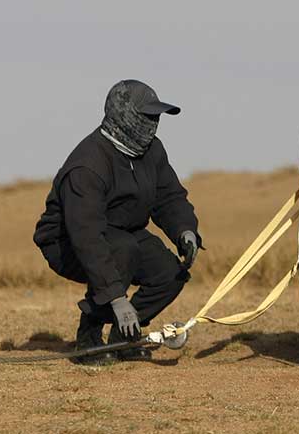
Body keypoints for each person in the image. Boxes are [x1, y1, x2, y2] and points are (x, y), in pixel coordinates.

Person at [33, 80, 202, 364]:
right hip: (69, 243)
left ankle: (124, 339)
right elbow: (86, 236)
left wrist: (185, 229)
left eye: (156, 117)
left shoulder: (152, 151)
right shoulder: (87, 165)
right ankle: (88, 339)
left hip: (122, 233)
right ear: (123, 115)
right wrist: (116, 297)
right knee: (122, 249)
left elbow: (169, 196)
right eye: (147, 116)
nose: (154, 123)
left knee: (170, 274)